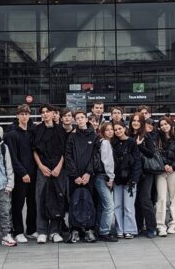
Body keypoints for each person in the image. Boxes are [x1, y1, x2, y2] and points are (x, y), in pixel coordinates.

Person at [32, 104, 67, 244]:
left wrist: (59, 167)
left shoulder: (61, 129)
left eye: (48, 112)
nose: (45, 114)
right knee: (41, 198)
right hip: (43, 169)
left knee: (57, 199)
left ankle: (55, 231)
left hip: (59, 169)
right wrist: (41, 166)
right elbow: (34, 150)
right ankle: (42, 231)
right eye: (43, 112)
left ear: (54, 114)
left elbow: (65, 151)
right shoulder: (37, 129)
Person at [4, 104, 37, 243]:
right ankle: (18, 231)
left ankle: (31, 229)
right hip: (19, 175)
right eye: (22, 114)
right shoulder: (11, 134)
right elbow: (12, 157)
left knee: (32, 203)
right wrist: (22, 173)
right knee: (18, 204)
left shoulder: (32, 131)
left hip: (33, 173)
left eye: (26, 114)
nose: (24, 116)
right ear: (17, 115)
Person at [65, 110, 98, 243]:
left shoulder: (94, 136)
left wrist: (88, 173)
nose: (80, 120)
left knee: (90, 202)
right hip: (75, 178)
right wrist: (75, 175)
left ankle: (89, 229)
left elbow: (95, 156)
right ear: (75, 121)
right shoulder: (72, 137)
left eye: (82, 117)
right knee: (74, 202)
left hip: (89, 177)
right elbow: (68, 156)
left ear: (86, 119)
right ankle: (75, 230)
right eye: (77, 118)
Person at [154, 117, 175, 236]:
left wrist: (173, 166)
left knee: (174, 198)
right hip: (161, 171)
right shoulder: (157, 138)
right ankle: (160, 225)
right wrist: (164, 165)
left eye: (166, 123)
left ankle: (174, 223)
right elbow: (156, 153)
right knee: (161, 198)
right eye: (161, 124)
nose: (164, 126)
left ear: (171, 124)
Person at [129, 112, 158, 238]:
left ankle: (152, 227)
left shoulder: (146, 136)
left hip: (146, 172)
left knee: (145, 199)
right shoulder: (128, 135)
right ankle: (139, 226)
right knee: (135, 201)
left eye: (138, 121)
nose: (135, 123)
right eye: (133, 120)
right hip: (133, 172)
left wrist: (139, 146)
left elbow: (151, 153)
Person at [111, 122, 141, 239]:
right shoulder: (114, 143)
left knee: (128, 206)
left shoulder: (131, 142)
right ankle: (119, 229)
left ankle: (129, 229)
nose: (118, 131)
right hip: (117, 179)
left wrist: (135, 178)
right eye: (115, 129)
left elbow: (137, 161)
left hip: (130, 179)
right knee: (117, 205)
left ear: (124, 128)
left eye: (120, 128)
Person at [94, 122, 117, 242]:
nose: (110, 131)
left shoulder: (101, 142)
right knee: (109, 205)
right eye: (107, 130)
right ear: (103, 131)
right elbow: (107, 161)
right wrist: (111, 177)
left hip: (99, 176)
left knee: (101, 205)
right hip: (103, 176)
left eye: (111, 129)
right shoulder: (105, 142)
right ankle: (104, 232)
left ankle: (98, 228)